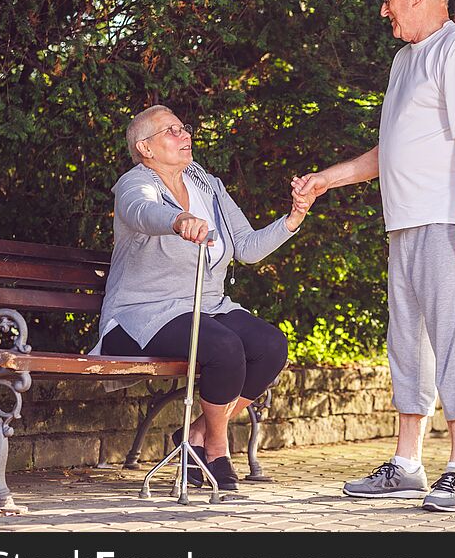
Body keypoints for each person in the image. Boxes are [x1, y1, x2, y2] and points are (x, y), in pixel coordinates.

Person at [292, 0, 455, 512]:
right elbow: (394, 152)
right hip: (404, 221)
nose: (383, 10)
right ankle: (408, 463)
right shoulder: (405, 61)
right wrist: (326, 180)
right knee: (408, 345)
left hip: (448, 222)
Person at [95, 104, 312, 491]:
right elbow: (141, 211)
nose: (185, 135)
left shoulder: (206, 184)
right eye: (171, 131)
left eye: (184, 128)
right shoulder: (135, 182)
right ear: (145, 148)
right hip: (144, 313)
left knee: (270, 345)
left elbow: (246, 247)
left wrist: (293, 219)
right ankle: (215, 445)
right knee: (224, 347)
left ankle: (193, 436)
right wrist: (177, 220)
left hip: (207, 304)